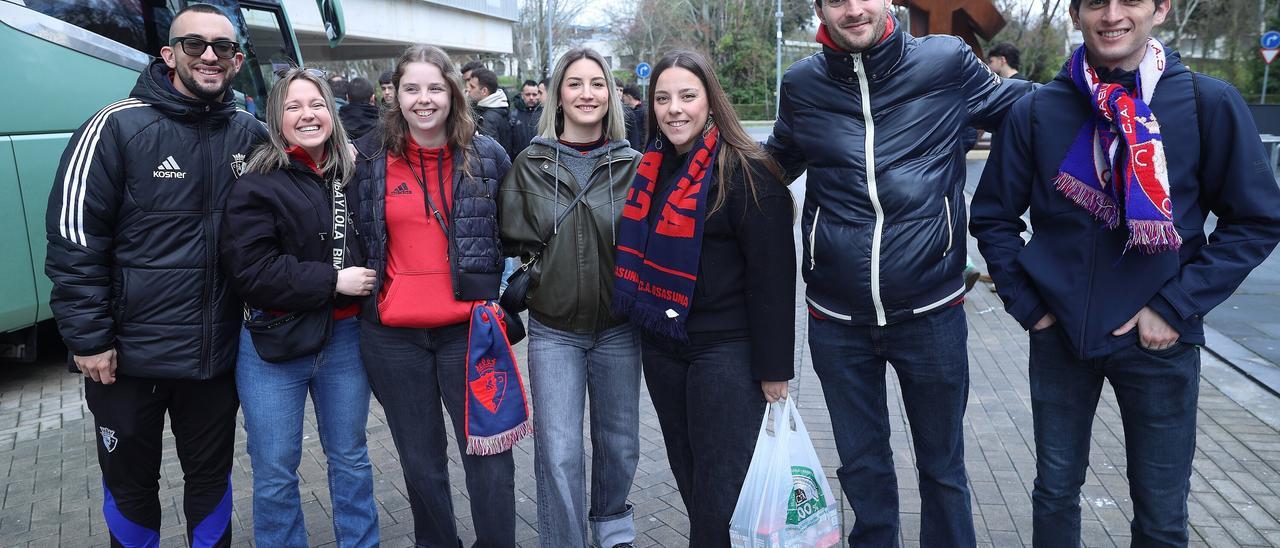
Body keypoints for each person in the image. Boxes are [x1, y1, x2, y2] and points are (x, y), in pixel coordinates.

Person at [970, 0, 1280, 545]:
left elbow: (1256, 221)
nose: (1111, 14)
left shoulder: (1207, 103)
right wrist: (1032, 307)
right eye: (1095, 2)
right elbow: (993, 216)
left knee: (1161, 513)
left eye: (1130, 0)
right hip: (1061, 337)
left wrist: (1174, 307)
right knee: (1055, 493)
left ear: (1160, 9)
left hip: (1159, 342)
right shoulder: (1038, 110)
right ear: (1075, 13)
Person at [764, 0, 1035, 545]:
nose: (852, 9)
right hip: (836, 319)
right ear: (821, 9)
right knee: (862, 468)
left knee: (942, 468)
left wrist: (1113, 97)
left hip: (930, 313)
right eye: (835, 0)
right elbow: (775, 164)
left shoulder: (945, 62)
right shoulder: (802, 84)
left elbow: (1029, 112)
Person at [44, 4, 266, 545]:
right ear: (169, 55)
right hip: (126, 361)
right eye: (195, 45)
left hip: (214, 359)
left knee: (211, 484)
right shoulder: (114, 126)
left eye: (224, 48)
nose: (210, 56)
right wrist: (89, 339)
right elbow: (75, 242)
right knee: (131, 489)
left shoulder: (250, 134)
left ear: (237, 62)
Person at [613, 50, 795, 547]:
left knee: (722, 490)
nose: (675, 109)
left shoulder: (748, 172)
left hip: (727, 351)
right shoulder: (649, 170)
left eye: (687, 96)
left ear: (710, 101)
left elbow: (774, 280)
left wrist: (774, 371)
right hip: (665, 346)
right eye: (663, 98)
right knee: (691, 478)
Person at [349, 44, 515, 548]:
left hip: (469, 334)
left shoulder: (487, 155)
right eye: (412, 88)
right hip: (393, 339)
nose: (424, 99)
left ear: (455, 93)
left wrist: (507, 296)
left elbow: (513, 234)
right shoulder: (367, 156)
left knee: (488, 455)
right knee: (420, 462)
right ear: (394, 94)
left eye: (435, 88)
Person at [220, 68, 380, 547]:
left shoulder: (356, 172)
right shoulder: (256, 182)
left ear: (331, 111)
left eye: (315, 104)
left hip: (346, 341)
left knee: (350, 458)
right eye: (294, 107)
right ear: (276, 118)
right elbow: (252, 273)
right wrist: (334, 280)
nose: (307, 115)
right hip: (273, 344)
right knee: (274, 473)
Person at [499, 47, 642, 548]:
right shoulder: (530, 164)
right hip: (554, 331)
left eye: (598, 83)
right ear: (558, 92)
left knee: (621, 447)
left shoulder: (635, 166)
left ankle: (612, 534)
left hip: (619, 330)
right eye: (576, 83)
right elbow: (510, 242)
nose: (587, 93)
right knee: (559, 450)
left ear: (611, 95)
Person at [466, 67, 513, 154]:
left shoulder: (488, 118)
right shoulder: (499, 107)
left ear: (484, 91)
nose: (468, 89)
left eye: (472, 87)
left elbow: (488, 155)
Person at [509, 79, 542, 160]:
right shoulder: (513, 116)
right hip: (519, 162)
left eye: (534, 94)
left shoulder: (543, 114)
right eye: (528, 94)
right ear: (522, 95)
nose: (531, 98)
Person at [621, 85, 646, 152]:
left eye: (624, 96)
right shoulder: (629, 111)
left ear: (629, 97)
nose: (622, 99)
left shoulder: (644, 112)